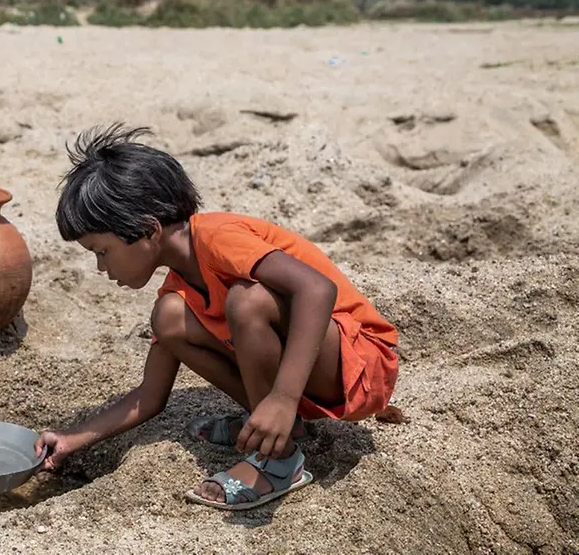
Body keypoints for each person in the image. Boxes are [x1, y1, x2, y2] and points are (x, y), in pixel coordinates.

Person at [34, 123, 399, 511]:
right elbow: (150, 396)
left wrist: (282, 397)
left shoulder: (217, 237)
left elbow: (316, 290)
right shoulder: (178, 288)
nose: (100, 268)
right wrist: (73, 438)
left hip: (361, 366)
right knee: (169, 318)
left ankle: (278, 462)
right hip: (308, 379)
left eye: (102, 251)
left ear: (147, 230)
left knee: (248, 301)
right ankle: (277, 428)